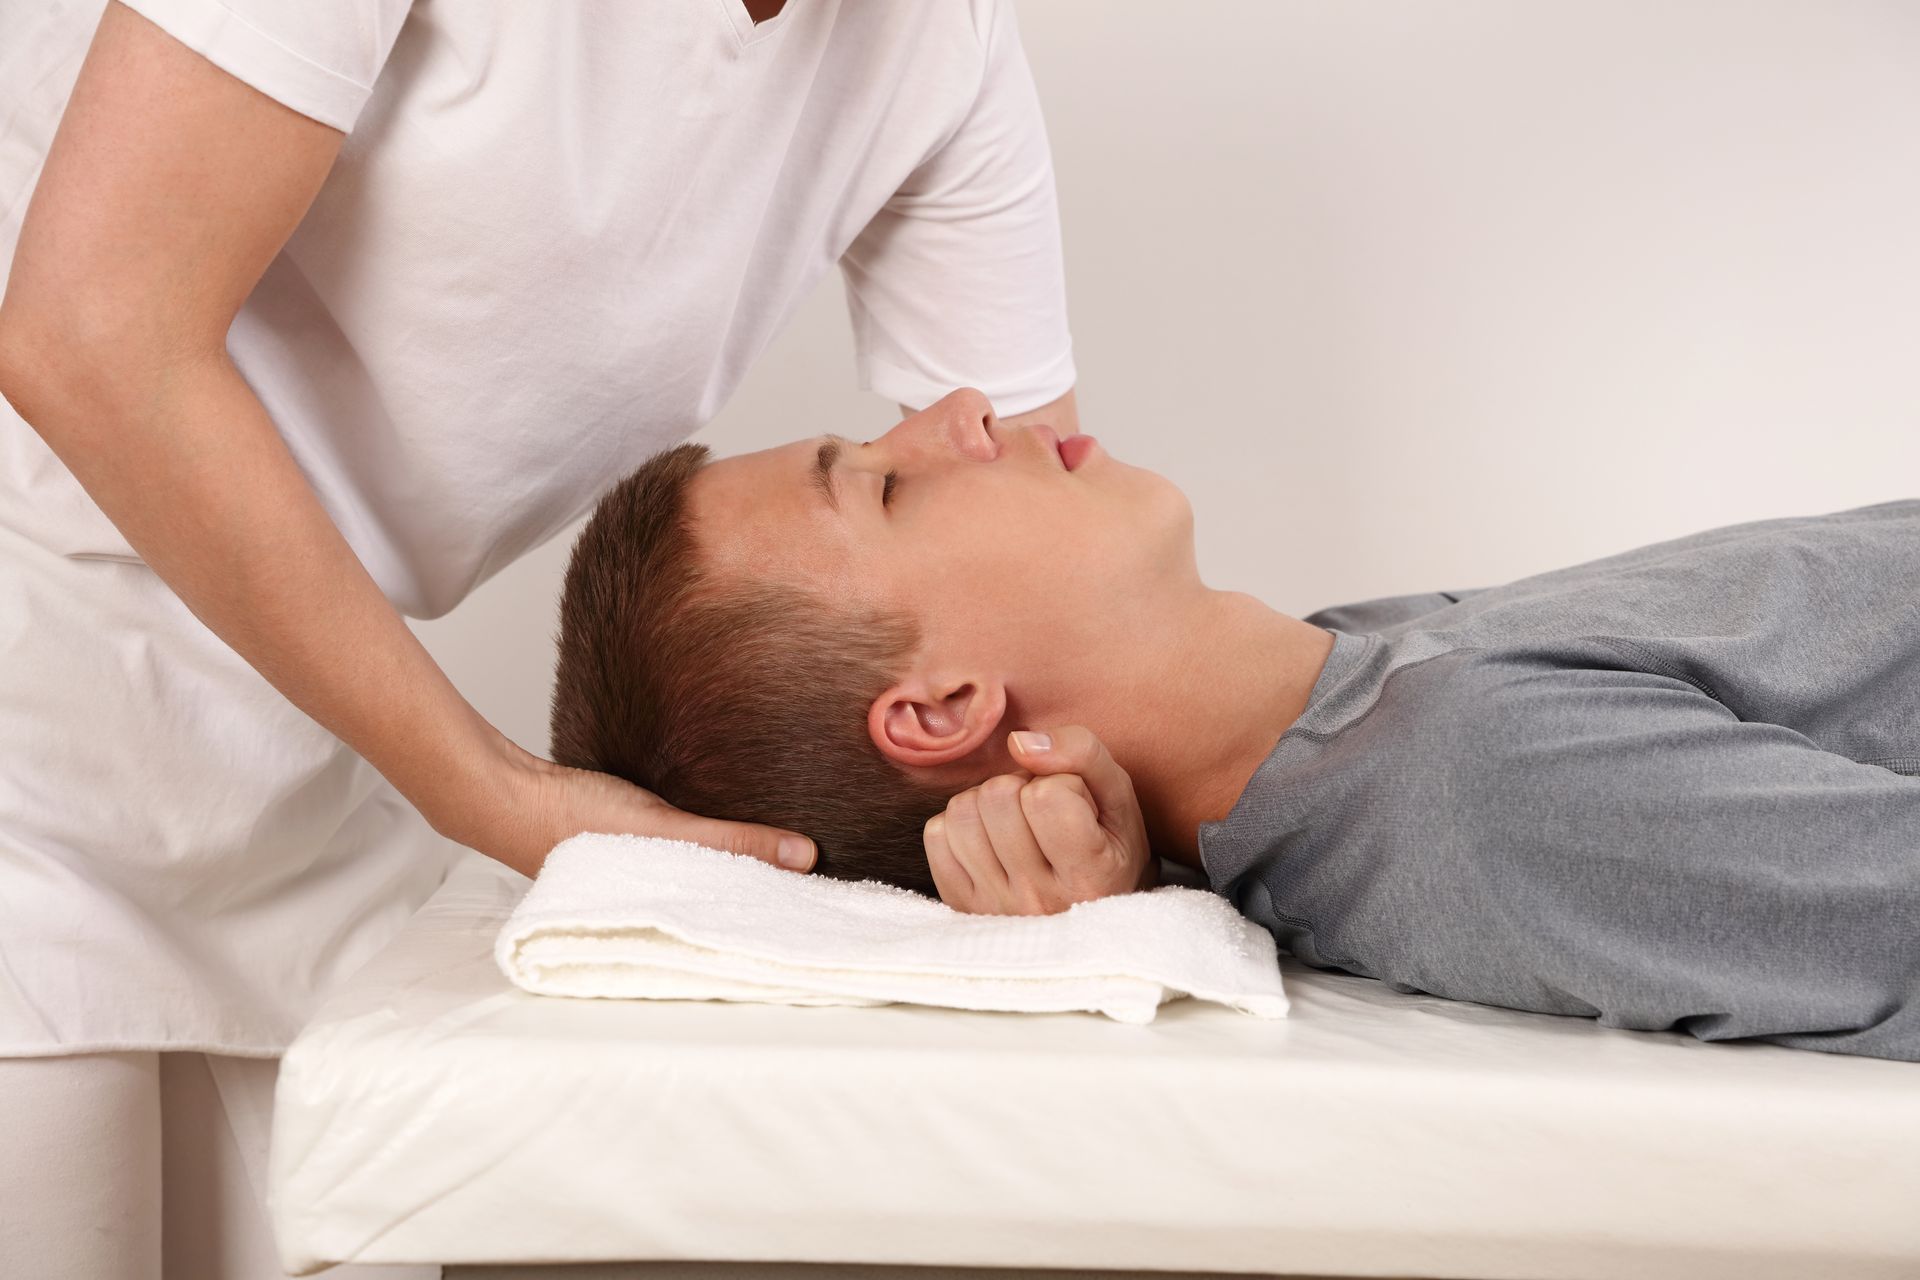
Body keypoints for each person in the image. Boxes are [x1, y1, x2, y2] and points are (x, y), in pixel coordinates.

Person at [0, 1, 1079, 1273]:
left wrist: (1075, 811)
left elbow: (1056, 549)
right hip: (30, 715)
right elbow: (89, 334)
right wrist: (495, 794)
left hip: (299, 771)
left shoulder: (938, 44)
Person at [545, 387, 1920, 1064]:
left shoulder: (1358, 671)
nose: (956, 410)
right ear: (943, 708)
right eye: (886, 486)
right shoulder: (1475, 781)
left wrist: (1137, 865)